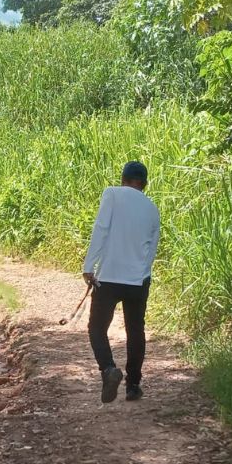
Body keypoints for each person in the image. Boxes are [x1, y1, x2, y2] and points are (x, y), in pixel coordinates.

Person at [81, 161, 160, 403]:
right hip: (138, 280)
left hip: (109, 278)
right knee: (135, 331)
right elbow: (151, 248)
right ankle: (133, 386)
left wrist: (88, 266)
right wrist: (142, 276)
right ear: (144, 184)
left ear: (123, 178)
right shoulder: (152, 208)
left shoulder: (112, 194)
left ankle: (108, 369)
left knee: (97, 327)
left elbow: (101, 229)